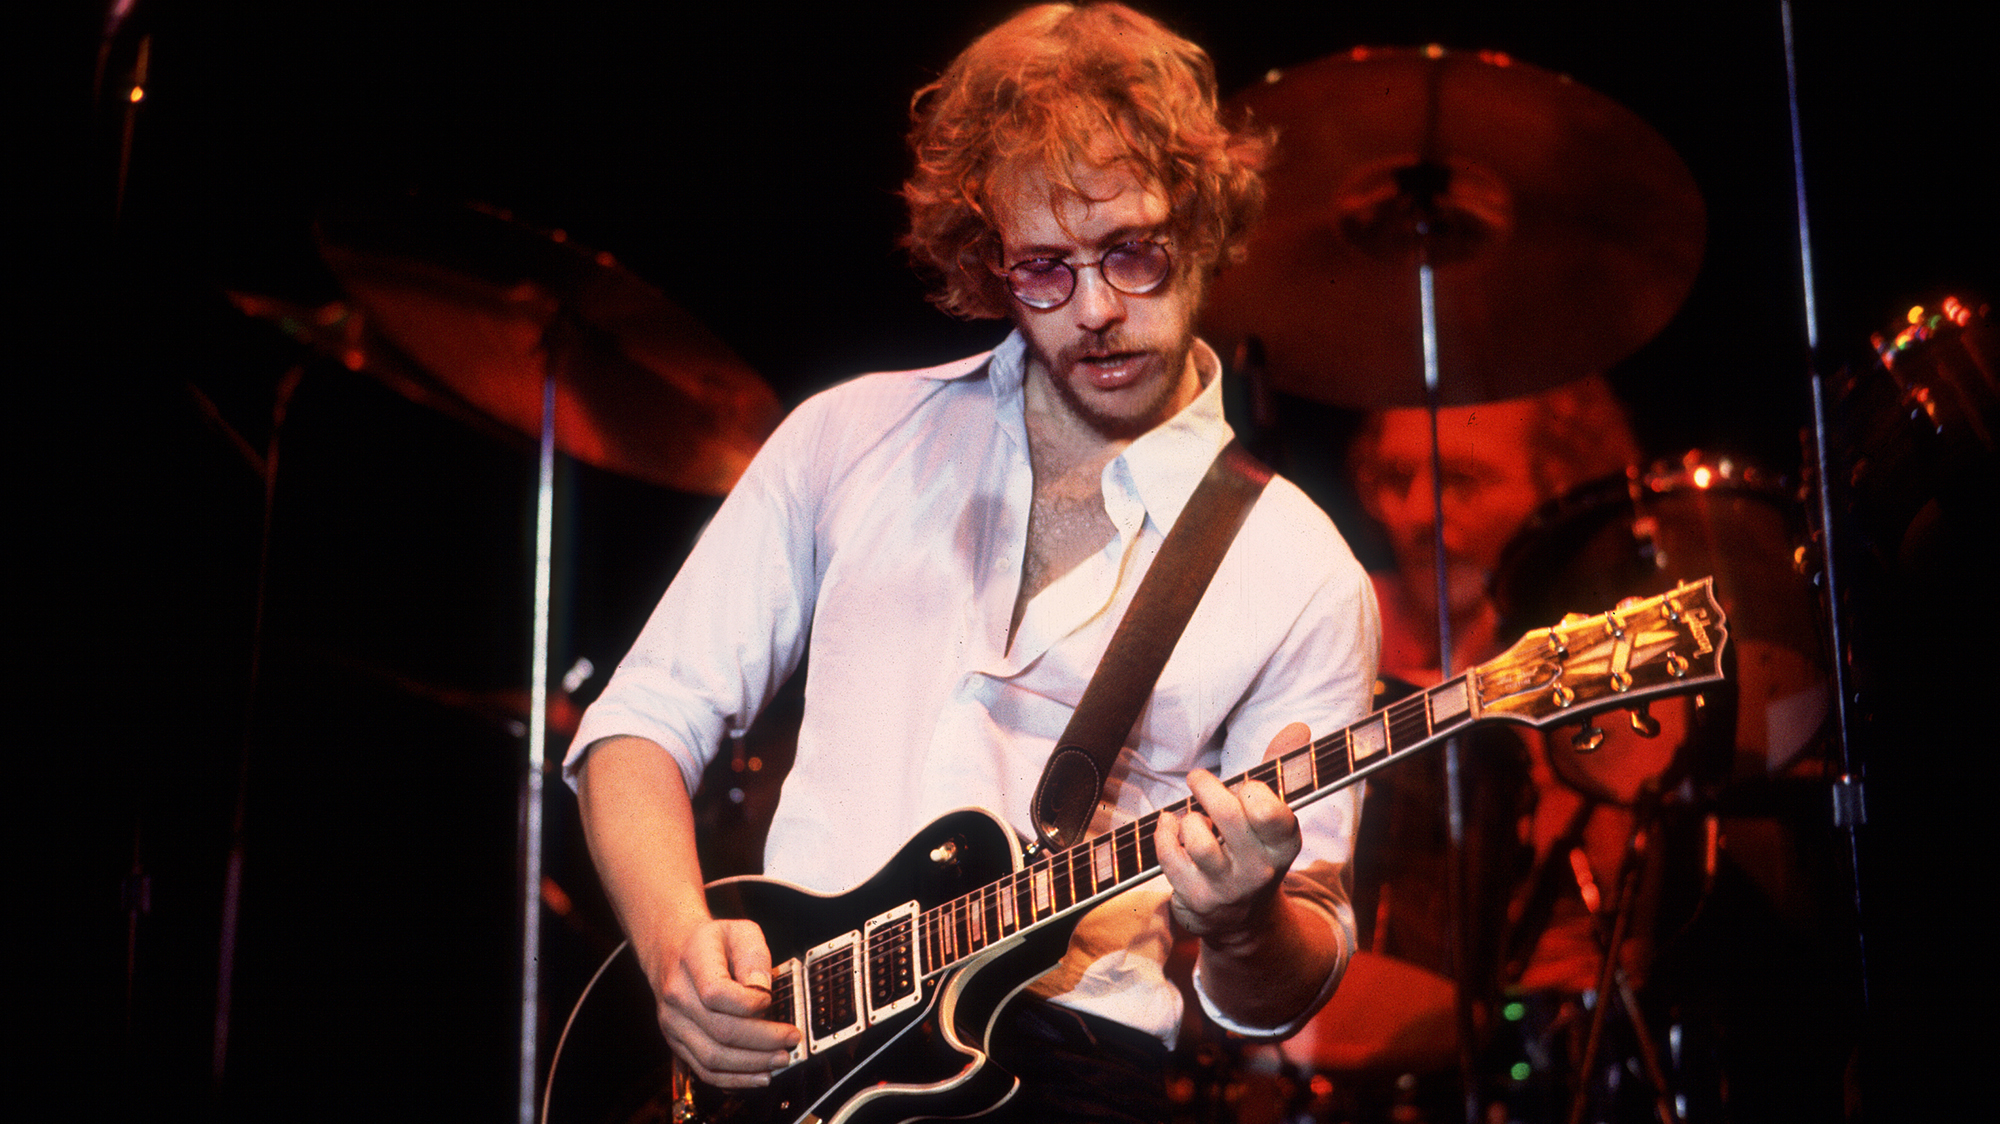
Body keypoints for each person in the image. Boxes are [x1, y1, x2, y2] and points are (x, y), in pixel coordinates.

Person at [563, 5, 1380, 1121]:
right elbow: (638, 725)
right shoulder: (848, 438)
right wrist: (674, 948)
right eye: (1044, 268)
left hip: (1074, 1073)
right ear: (988, 262)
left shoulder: (1300, 567)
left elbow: (1277, 992)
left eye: (1131, 250)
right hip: (791, 1051)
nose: (1095, 309)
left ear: (1197, 225)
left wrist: (1242, 918)